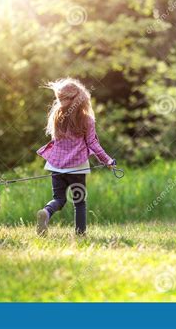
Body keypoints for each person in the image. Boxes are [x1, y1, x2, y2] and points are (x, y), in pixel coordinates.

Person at [36, 78, 115, 236]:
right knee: (79, 202)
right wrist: (107, 160)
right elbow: (92, 143)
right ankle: (80, 234)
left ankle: (46, 211)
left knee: (59, 199)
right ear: (81, 98)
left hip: (56, 165)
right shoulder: (87, 120)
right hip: (77, 167)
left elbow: (55, 140)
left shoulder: (56, 117)